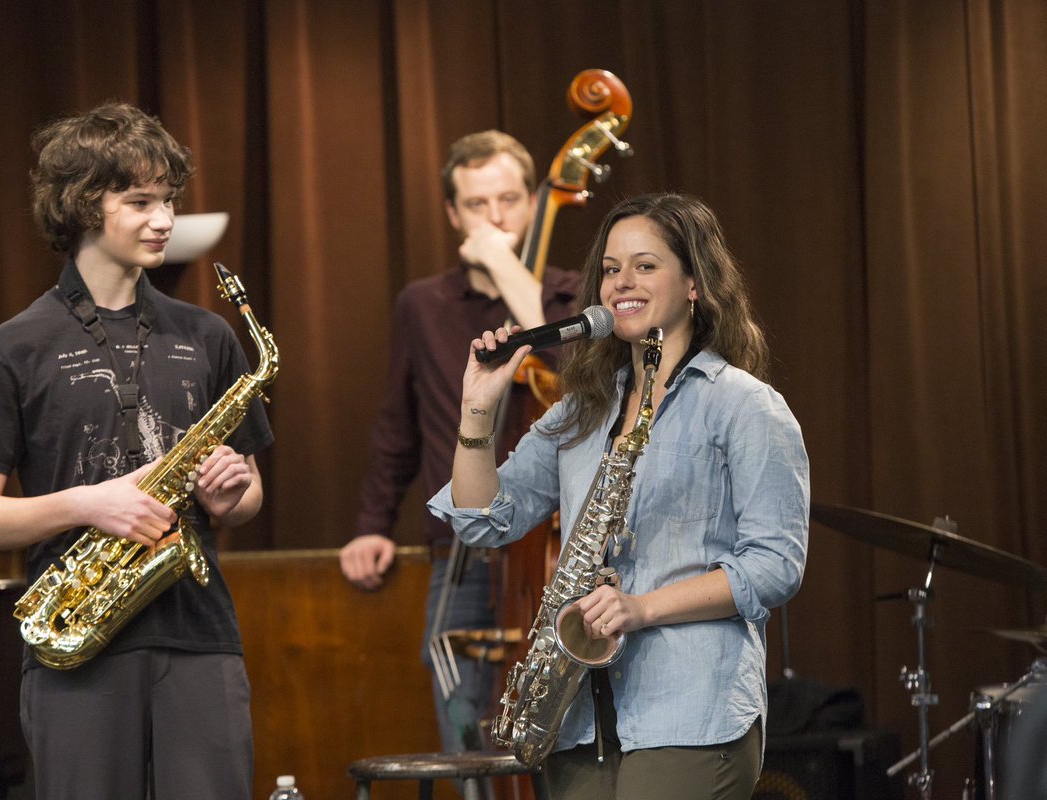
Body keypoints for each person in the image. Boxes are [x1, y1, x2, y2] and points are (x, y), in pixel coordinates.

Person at [0, 102, 272, 800]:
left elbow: (249, 501)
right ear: (85, 205)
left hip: (199, 634)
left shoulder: (208, 336)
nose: (165, 220)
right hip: (77, 643)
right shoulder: (10, 348)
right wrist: (92, 503)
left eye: (169, 200)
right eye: (140, 201)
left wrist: (233, 489)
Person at [429, 192, 809, 799]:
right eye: (610, 269)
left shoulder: (744, 405)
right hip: (578, 717)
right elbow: (481, 522)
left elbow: (774, 567)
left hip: (691, 710)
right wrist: (478, 407)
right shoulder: (582, 408)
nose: (620, 283)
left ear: (694, 283)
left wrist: (642, 607)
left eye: (645, 265)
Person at [338, 130, 579, 753]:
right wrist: (373, 523)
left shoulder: (570, 295)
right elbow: (398, 421)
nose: (496, 218)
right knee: (463, 723)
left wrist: (506, 267)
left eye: (508, 200)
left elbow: (574, 369)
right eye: (478, 205)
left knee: (563, 725)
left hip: (554, 544)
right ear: (452, 214)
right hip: (461, 550)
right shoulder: (424, 303)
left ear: (533, 202)